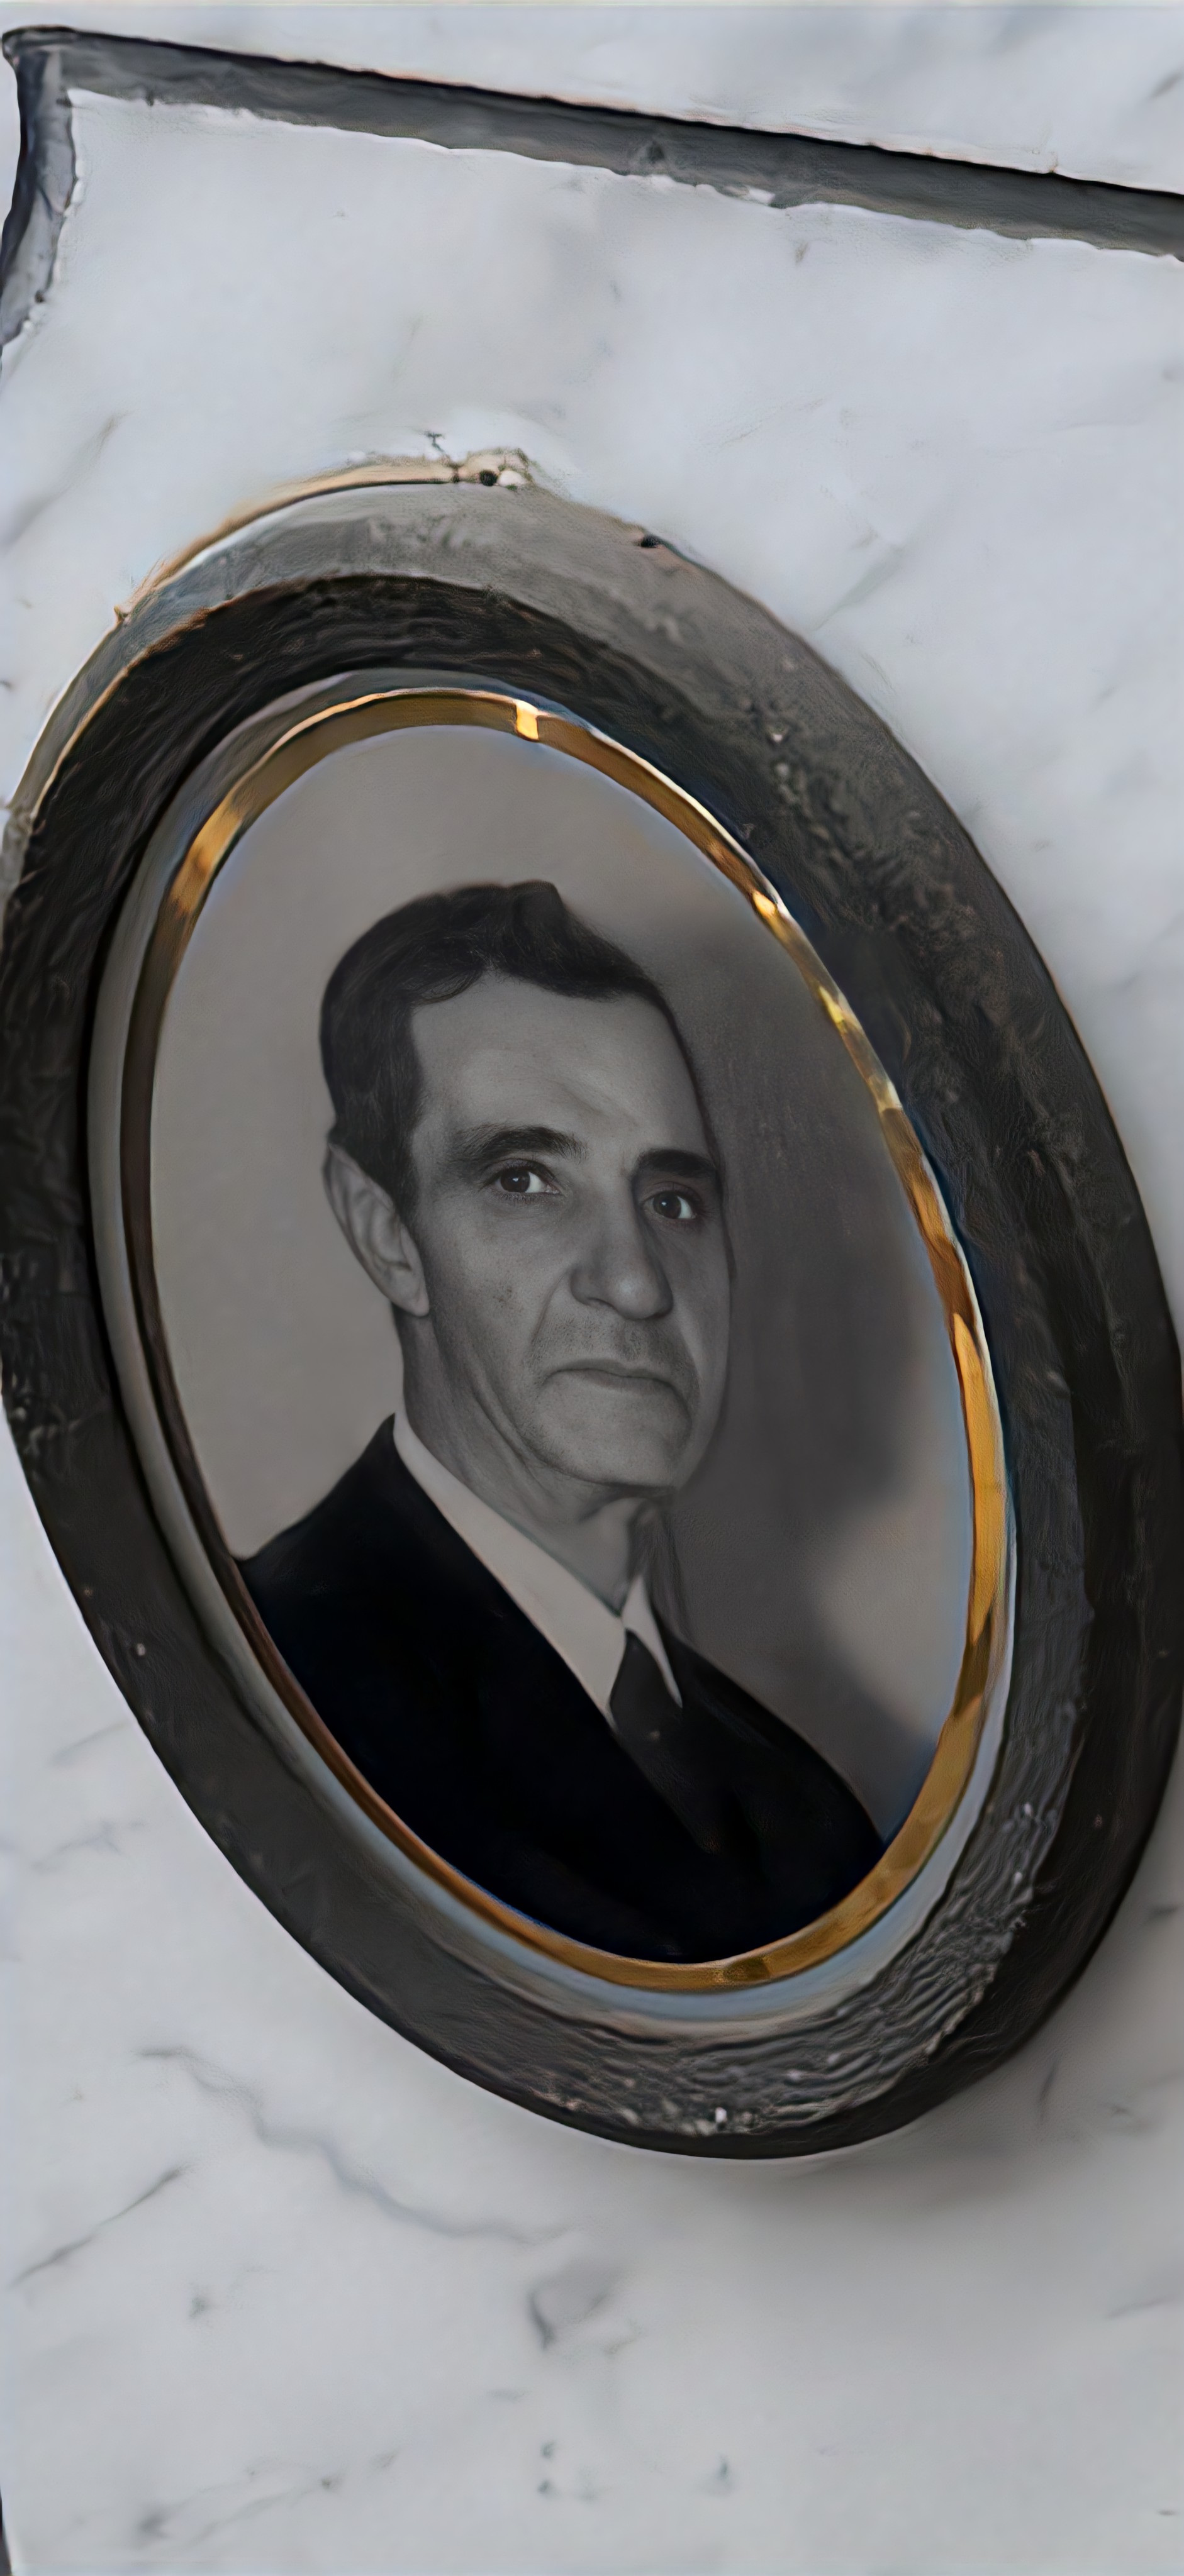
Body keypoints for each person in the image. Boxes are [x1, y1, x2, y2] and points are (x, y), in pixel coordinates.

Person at [240, 881, 881, 1962]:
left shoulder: (806, 1809)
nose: (636, 1282)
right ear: (387, 1233)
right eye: (524, 1180)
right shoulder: (279, 1691)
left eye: (672, 1200)